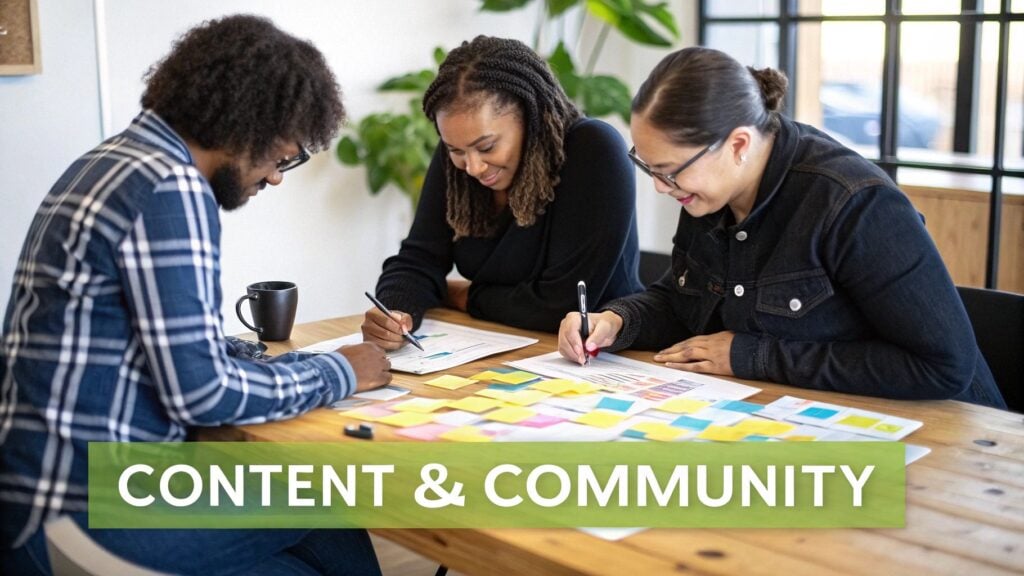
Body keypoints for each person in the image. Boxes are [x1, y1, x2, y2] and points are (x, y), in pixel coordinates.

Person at [0, 15, 391, 575]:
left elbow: (166, 356)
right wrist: (340, 371)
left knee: (315, 518)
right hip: (85, 514)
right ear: (247, 120)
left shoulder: (110, 161)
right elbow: (203, 394)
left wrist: (285, 363)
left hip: (43, 498)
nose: (276, 177)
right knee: (329, 495)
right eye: (281, 156)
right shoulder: (169, 185)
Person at [557, 47, 1006, 408]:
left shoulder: (854, 202)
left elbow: (942, 367)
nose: (660, 187)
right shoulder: (708, 190)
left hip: (953, 439)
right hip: (792, 413)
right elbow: (683, 301)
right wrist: (618, 320)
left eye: (669, 171)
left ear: (738, 144)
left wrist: (752, 356)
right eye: (649, 167)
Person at [361, 36, 643, 349]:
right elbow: (419, 258)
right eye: (455, 150)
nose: (473, 167)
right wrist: (396, 310)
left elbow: (560, 305)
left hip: (602, 356)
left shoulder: (593, 149)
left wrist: (462, 294)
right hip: (499, 344)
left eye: (487, 147)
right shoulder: (461, 156)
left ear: (530, 117)